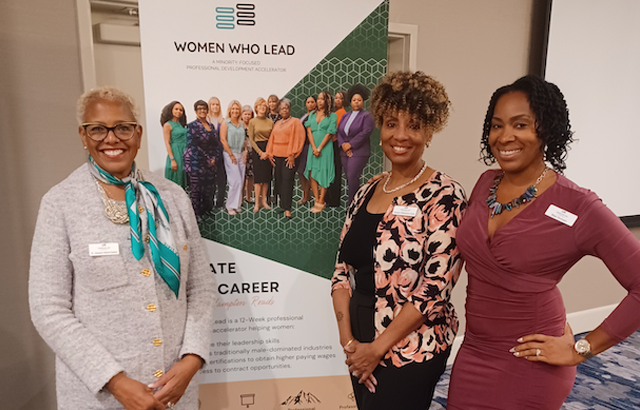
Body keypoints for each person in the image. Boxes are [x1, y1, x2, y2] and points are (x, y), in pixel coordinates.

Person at [447, 75, 640, 409]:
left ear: (547, 129)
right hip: (474, 351)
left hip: (532, 362)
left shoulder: (579, 205)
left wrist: (583, 347)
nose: (504, 136)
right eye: (496, 125)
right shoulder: (484, 184)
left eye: (520, 124)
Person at [29, 86, 214, 410]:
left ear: (138, 134)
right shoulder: (60, 204)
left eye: (122, 128)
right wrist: (114, 381)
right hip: (99, 398)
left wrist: (193, 357)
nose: (111, 138)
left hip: (174, 394)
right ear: (83, 136)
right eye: (97, 129)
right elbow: (48, 308)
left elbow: (201, 287)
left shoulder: (173, 197)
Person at [331, 71, 466, 410]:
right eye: (392, 124)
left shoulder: (445, 195)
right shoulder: (366, 190)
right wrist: (349, 342)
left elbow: (436, 286)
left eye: (415, 126)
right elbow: (341, 270)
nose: (401, 135)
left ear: (430, 132)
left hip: (411, 345)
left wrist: (376, 349)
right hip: (359, 338)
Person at [265, 98, 306, 219]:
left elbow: (299, 139)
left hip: (289, 156)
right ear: (279, 110)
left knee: (287, 181)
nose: (284, 110)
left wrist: (293, 154)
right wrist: (269, 153)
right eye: (282, 108)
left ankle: (288, 209)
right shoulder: (277, 123)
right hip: (276, 156)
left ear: (289, 109)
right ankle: (282, 206)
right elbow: (272, 139)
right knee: (279, 181)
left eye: (286, 108)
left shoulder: (295, 122)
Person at [337, 84, 375, 204]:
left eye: (359, 100)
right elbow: (339, 132)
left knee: (353, 176)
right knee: (349, 178)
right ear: (350, 101)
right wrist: (343, 145)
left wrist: (351, 145)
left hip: (359, 152)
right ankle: (356, 202)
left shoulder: (366, 116)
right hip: (344, 151)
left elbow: (366, 132)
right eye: (354, 100)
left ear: (363, 101)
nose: (356, 102)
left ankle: (352, 204)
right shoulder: (345, 115)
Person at [184, 100, 219, 219]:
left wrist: (214, 158)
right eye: (199, 109)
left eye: (204, 109)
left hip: (210, 164)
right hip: (196, 162)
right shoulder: (191, 126)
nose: (202, 111)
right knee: (196, 190)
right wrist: (208, 158)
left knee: (208, 189)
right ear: (195, 111)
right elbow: (193, 145)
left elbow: (215, 144)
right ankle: (196, 214)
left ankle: (206, 210)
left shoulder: (211, 126)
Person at [304, 91, 337, 213]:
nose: (319, 101)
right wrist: (313, 148)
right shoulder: (312, 114)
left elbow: (329, 134)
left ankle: (321, 200)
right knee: (312, 172)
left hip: (325, 149)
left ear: (327, 101)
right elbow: (309, 132)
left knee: (324, 172)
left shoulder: (332, 116)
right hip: (312, 149)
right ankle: (316, 199)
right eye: (318, 99)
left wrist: (319, 148)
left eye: (322, 99)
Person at [219, 100, 248, 215]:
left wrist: (245, 151)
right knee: (234, 181)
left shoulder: (241, 124)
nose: (235, 111)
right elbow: (222, 139)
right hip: (230, 154)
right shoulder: (226, 123)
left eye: (237, 109)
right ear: (230, 110)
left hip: (241, 154)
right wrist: (231, 155)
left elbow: (245, 139)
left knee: (240, 181)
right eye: (233, 109)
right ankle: (230, 205)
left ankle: (237, 205)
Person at [248, 97, 274, 213]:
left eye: (264, 106)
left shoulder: (270, 122)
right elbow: (251, 140)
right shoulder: (252, 122)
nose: (262, 108)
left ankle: (264, 201)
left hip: (268, 149)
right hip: (257, 150)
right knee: (258, 179)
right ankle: (257, 203)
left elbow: (272, 138)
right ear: (256, 108)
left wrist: (267, 152)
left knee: (266, 177)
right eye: (260, 106)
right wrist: (260, 152)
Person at [326, 91, 347, 208]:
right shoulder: (334, 113)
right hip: (329, 145)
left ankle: (334, 200)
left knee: (335, 173)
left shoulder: (343, 114)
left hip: (336, 145)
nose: (337, 100)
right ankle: (328, 198)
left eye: (340, 98)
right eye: (336, 98)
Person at [161, 101, 188, 188]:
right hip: (176, 153)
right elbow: (167, 143)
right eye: (176, 109)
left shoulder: (181, 124)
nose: (178, 111)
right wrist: (172, 159)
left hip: (185, 153)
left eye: (181, 110)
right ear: (171, 110)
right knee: (177, 179)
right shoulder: (168, 125)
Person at [296, 96, 316, 205]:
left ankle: (314, 196)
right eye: (308, 102)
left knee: (310, 172)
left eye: (312, 102)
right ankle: (305, 195)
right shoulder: (304, 116)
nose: (310, 104)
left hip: (310, 146)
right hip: (301, 147)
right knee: (301, 172)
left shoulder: (317, 117)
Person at [207, 96, 226, 208]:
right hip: (208, 154)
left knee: (221, 180)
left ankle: (219, 204)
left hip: (220, 153)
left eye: (217, 104)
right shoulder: (205, 121)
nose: (215, 106)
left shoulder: (222, 121)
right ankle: (209, 204)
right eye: (213, 104)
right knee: (209, 181)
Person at [241, 105, 255, 204]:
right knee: (242, 176)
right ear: (242, 115)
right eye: (245, 114)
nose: (247, 116)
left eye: (249, 114)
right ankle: (240, 198)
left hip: (252, 152)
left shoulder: (253, 125)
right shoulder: (239, 125)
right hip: (241, 153)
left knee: (251, 176)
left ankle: (249, 197)